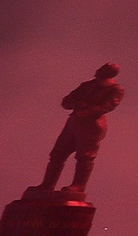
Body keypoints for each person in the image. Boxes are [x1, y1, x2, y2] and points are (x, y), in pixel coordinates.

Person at [40, 63, 125, 196]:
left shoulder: (115, 89)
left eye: (102, 69)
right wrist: (75, 104)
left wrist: (86, 111)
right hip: (73, 123)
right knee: (57, 155)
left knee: (85, 156)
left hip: (92, 125)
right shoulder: (87, 85)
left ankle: (78, 185)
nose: (97, 70)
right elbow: (67, 100)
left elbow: (108, 106)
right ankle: (47, 185)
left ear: (108, 73)